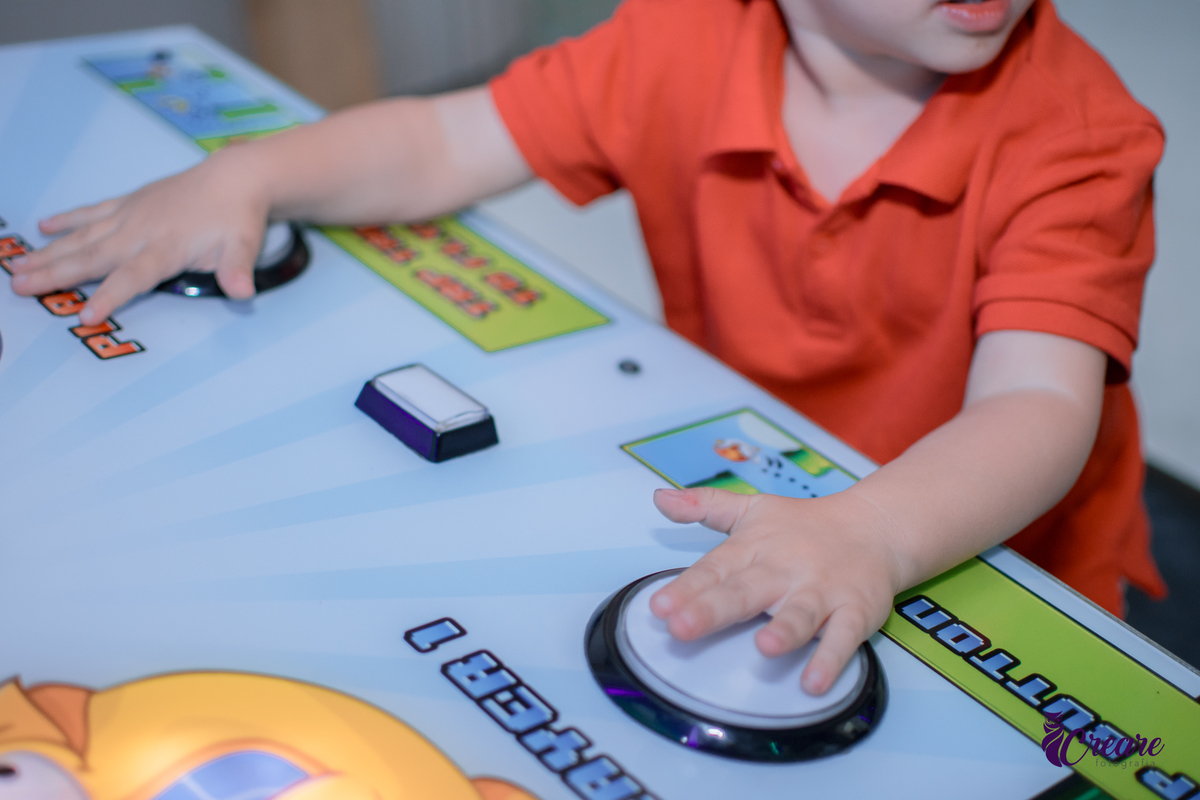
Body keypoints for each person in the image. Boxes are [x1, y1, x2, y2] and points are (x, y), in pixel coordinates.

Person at [7, 0, 1164, 695]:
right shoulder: (677, 39)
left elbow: (1039, 410)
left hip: (987, 552)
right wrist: (251, 170)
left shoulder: (1078, 134)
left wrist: (873, 530)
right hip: (753, 482)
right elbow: (443, 142)